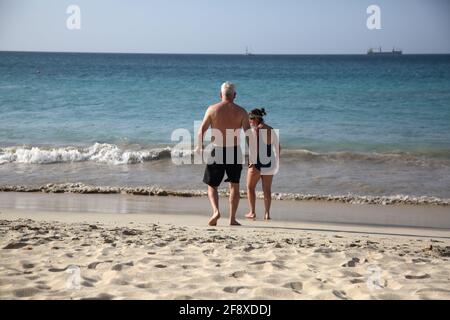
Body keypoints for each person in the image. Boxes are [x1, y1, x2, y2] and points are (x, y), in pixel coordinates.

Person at [196, 82, 251, 226]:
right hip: (234, 150)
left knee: (212, 185)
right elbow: (248, 134)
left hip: (217, 149)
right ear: (235, 95)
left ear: (220, 95)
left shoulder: (212, 109)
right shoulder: (242, 111)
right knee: (234, 185)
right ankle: (232, 219)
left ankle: (215, 211)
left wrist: (199, 146)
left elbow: (201, 130)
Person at [245, 108, 277, 221]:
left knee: (250, 187)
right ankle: (267, 213)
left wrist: (251, 161)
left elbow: (255, 148)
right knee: (267, 189)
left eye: (251, 118)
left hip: (257, 162)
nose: (249, 121)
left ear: (256, 118)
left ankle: (252, 212)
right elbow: (278, 148)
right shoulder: (271, 129)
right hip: (270, 161)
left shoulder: (255, 130)